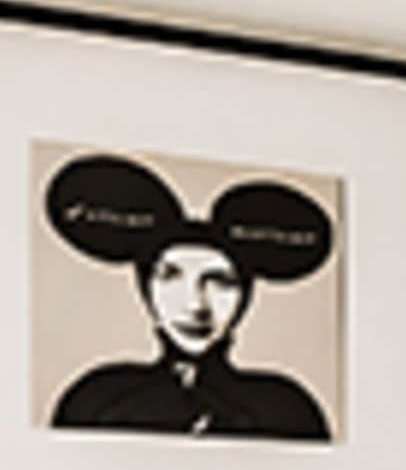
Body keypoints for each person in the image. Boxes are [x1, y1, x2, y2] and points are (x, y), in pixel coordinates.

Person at [44, 154, 335, 440]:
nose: (196, 304)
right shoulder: (97, 399)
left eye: (220, 282)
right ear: (146, 288)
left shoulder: (285, 409)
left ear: (245, 296)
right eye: (170, 276)